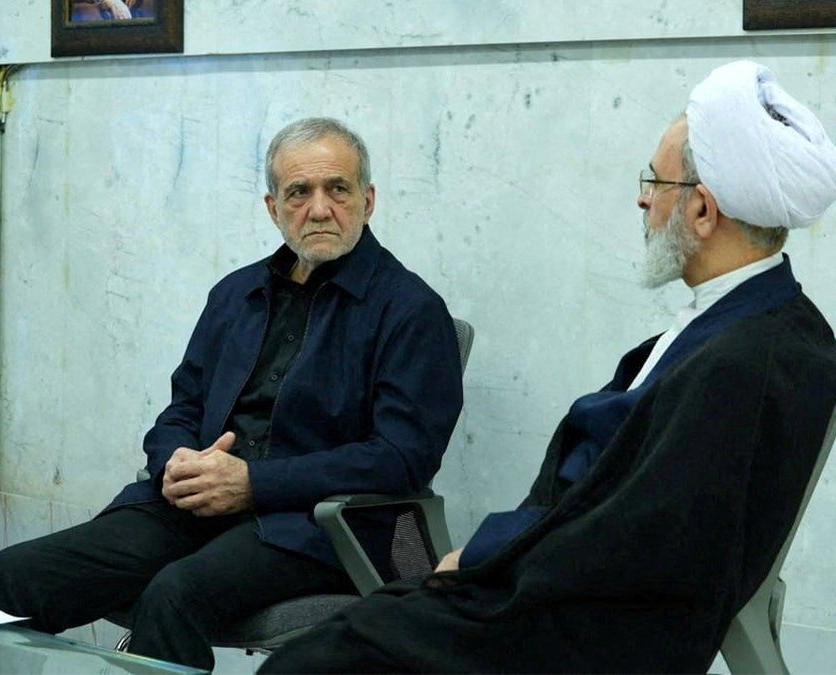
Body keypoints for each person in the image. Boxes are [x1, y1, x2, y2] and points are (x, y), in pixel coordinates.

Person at [260, 60, 836, 674]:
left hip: (580, 622)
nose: (642, 198)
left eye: (656, 182)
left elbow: (638, 536)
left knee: (313, 663)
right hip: (552, 586)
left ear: (701, 211)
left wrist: (485, 555)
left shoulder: (746, 358)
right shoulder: (753, 321)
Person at [0, 117, 464, 670]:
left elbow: (402, 457)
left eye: (338, 189)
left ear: (368, 200)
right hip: (197, 506)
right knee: (16, 573)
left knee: (174, 595)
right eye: (299, 192)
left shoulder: (411, 310)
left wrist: (254, 484)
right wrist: (176, 463)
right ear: (272, 206)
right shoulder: (237, 293)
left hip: (319, 527)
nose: (320, 208)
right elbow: (181, 408)